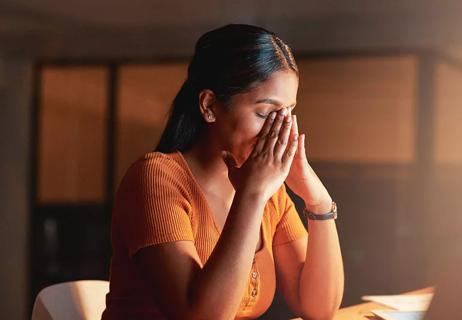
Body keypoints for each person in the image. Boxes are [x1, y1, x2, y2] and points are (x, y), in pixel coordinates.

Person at [102, 24, 344, 320]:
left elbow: (319, 309)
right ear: (209, 106)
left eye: (287, 113)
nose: (278, 130)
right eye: (266, 114)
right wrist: (251, 195)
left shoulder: (271, 194)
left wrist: (317, 201)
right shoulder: (156, 179)